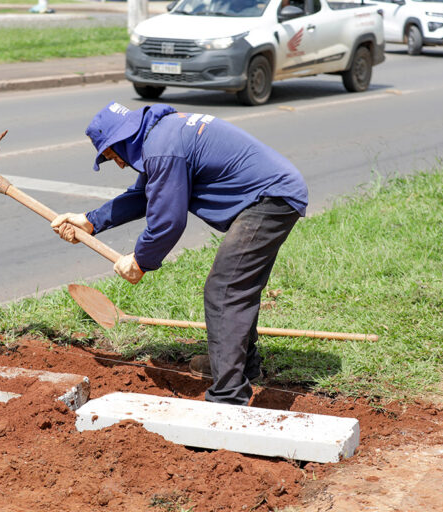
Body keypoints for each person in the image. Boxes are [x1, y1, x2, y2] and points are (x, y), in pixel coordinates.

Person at [51, 101, 308, 406]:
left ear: (122, 141)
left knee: (225, 290)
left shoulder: (163, 147)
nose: (117, 164)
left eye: (110, 155)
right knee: (237, 286)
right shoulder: (161, 133)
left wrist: (140, 261)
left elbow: (168, 222)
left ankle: (228, 397)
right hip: (271, 195)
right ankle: (239, 368)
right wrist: (91, 220)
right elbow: (144, 195)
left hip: (269, 200)